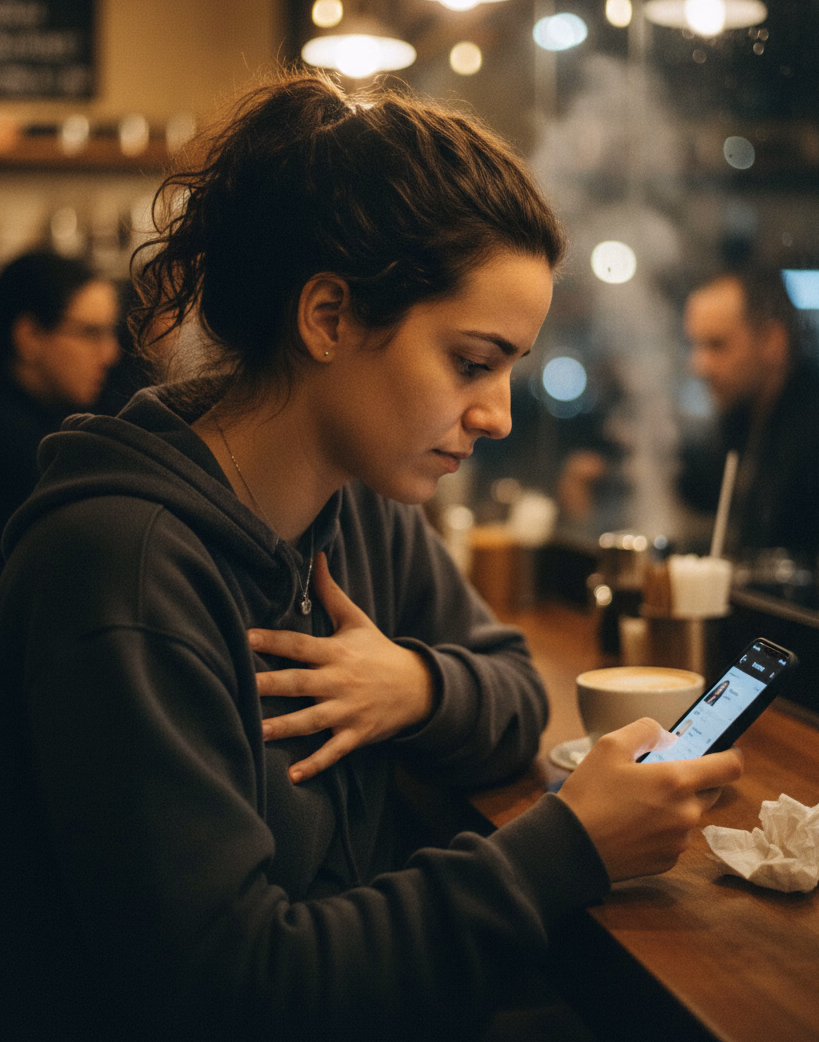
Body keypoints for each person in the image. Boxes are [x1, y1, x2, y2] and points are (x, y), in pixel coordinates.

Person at [0, 69, 742, 1042]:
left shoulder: (359, 505)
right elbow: (233, 988)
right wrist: (566, 847)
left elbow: (513, 690)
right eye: (473, 362)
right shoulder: (124, 568)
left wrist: (419, 685)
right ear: (328, 317)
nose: (498, 413)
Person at [679, 268, 819, 564]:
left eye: (717, 345)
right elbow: (703, 485)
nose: (698, 366)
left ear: (773, 342)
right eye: (696, 345)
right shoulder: (741, 419)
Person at [0, 246, 120, 531]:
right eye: (91, 333)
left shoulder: (92, 414)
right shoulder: (19, 458)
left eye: (110, 332)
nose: (111, 354)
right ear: (28, 337)